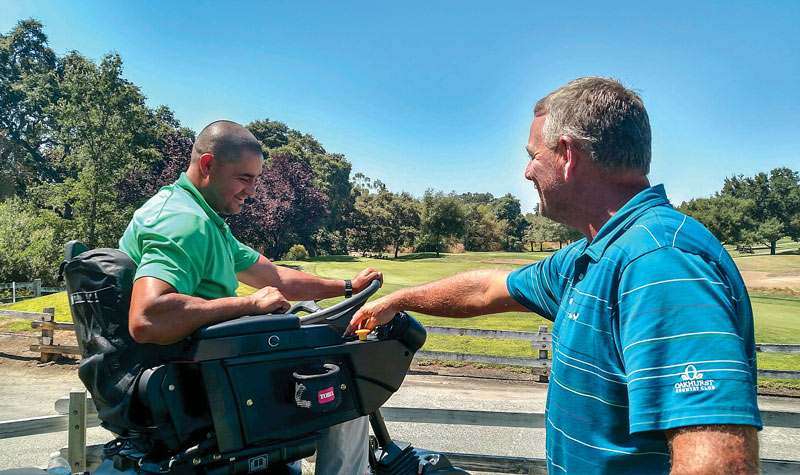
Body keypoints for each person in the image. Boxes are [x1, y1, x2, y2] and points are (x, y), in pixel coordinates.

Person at [348, 77, 761, 474]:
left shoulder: (659, 263)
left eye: (533, 156)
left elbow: (718, 465)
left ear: (568, 155)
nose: (528, 172)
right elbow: (485, 289)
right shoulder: (592, 258)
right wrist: (396, 301)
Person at [119, 120, 380, 475]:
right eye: (244, 178)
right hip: (199, 383)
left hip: (207, 368)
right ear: (207, 165)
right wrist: (250, 304)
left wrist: (348, 286)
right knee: (349, 389)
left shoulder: (204, 220)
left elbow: (276, 277)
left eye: (255, 180)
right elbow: (148, 318)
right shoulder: (183, 223)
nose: (252, 192)